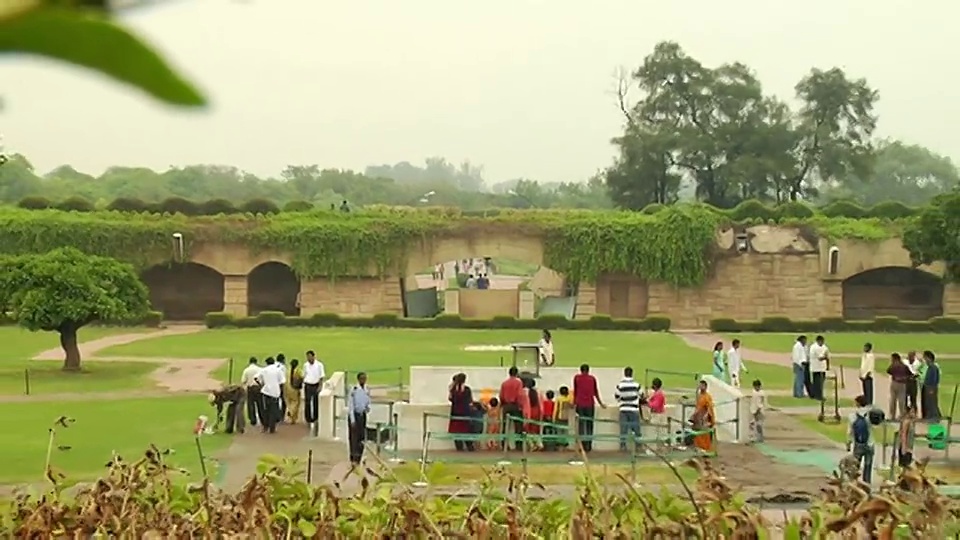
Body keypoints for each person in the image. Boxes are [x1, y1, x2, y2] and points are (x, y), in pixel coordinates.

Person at [573, 364, 605, 452]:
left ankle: (582, 444)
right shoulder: (592, 379)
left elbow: (575, 391)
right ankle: (588, 445)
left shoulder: (577, 378)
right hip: (590, 404)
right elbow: (596, 392)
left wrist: (573, 402)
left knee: (581, 424)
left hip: (580, 404)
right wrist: (601, 403)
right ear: (588, 370)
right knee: (589, 424)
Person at [847, 394, 875, 484]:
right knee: (868, 466)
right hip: (870, 443)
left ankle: (854, 483)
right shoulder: (871, 414)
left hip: (858, 444)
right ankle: (867, 484)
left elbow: (850, 431)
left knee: (855, 466)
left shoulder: (852, 416)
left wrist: (848, 442)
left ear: (858, 404)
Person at [614, 367, 642, 453]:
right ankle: (638, 446)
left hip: (623, 409)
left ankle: (623, 446)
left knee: (623, 429)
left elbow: (617, 396)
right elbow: (641, 395)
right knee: (636, 428)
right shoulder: (637, 385)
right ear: (632, 374)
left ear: (625, 373)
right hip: (634, 409)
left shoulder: (620, 385)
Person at [347, 372, 371, 464]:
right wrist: (352, 419)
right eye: (362, 378)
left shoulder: (366, 389)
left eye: (365, 378)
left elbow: (368, 400)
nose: (363, 380)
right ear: (358, 379)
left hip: (362, 415)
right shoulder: (354, 389)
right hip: (355, 415)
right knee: (354, 437)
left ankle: (359, 457)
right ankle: (353, 457)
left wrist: (368, 407)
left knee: (361, 436)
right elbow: (351, 405)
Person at [498, 367, 525, 450]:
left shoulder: (504, 383)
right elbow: (519, 394)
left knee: (505, 426)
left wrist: (503, 404)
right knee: (518, 426)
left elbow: (501, 395)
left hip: (506, 405)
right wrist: (521, 405)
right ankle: (518, 445)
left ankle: (504, 444)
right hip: (515, 405)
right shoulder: (518, 383)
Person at [256, 356, 285, 434]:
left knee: (265, 410)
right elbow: (282, 382)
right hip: (275, 393)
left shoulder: (264, 370)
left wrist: (261, 385)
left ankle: (266, 426)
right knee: (274, 410)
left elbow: (256, 378)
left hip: (266, 392)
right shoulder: (278, 370)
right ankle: (272, 428)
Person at [448, 373, 475, 451]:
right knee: (466, 430)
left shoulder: (453, 389)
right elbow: (470, 402)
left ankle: (459, 447)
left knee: (457, 431)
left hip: (455, 412)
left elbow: (450, 398)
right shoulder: (467, 390)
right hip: (465, 412)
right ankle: (469, 446)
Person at [302, 350, 326, 436]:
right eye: (307, 357)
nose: (308, 358)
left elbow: (321, 376)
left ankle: (315, 417)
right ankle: (308, 419)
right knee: (307, 402)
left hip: (315, 385)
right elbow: (304, 375)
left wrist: (320, 386)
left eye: (310, 356)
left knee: (316, 402)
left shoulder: (319, 365)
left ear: (313, 356)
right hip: (308, 385)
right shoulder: (305, 365)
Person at [691, 380, 715, 453]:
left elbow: (709, 408)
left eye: (702, 386)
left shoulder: (707, 397)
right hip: (698, 418)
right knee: (697, 434)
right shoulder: (700, 396)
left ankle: (705, 449)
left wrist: (707, 416)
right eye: (700, 385)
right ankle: (698, 448)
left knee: (704, 434)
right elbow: (698, 406)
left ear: (705, 387)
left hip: (704, 419)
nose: (700, 387)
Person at [240, 356, 264, 427]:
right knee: (260, 404)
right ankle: (262, 418)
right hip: (258, 388)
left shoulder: (246, 370)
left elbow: (243, 381)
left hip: (250, 388)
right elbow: (262, 380)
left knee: (251, 404)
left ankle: (253, 420)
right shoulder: (260, 369)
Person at [887, 353, 910, 421]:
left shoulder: (893, 366)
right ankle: (902, 415)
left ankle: (892, 415)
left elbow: (888, 371)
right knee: (901, 400)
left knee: (893, 400)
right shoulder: (904, 366)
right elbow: (909, 374)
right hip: (902, 384)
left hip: (894, 383)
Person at [922, 350, 942, 421]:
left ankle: (934, 417)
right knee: (928, 402)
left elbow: (934, 379)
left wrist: (931, 389)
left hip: (931, 387)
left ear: (928, 358)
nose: (924, 360)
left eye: (925, 358)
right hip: (928, 387)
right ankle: (932, 416)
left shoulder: (933, 367)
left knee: (932, 402)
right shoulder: (930, 367)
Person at [647, 378, 667, 445]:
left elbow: (655, 405)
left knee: (654, 433)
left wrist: (648, 402)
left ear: (655, 385)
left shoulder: (659, 394)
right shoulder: (657, 393)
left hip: (657, 415)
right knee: (657, 433)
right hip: (658, 414)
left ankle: (653, 450)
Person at [808, 336, 829, 400]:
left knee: (819, 382)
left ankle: (816, 395)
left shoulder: (824, 347)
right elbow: (820, 358)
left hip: (821, 368)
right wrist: (825, 356)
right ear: (818, 341)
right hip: (816, 368)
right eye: (821, 341)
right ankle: (818, 396)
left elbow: (827, 356)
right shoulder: (814, 347)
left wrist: (827, 366)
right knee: (818, 383)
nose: (822, 343)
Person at [523, 379, 542, 451]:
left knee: (527, 430)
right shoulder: (538, 392)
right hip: (536, 411)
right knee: (535, 429)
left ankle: (531, 444)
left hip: (528, 412)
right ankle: (539, 443)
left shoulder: (525, 392)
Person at [285, 359, 304, 424]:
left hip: (287, 388)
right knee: (296, 402)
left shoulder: (287, 370)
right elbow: (302, 377)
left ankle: (293, 419)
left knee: (290, 402)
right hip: (294, 388)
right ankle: (291, 412)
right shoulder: (298, 371)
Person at [554, 386, 573, 450]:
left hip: (559, 416)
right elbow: (572, 406)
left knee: (559, 431)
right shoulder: (569, 399)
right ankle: (565, 443)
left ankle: (560, 443)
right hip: (566, 417)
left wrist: (553, 417)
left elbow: (556, 408)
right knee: (565, 431)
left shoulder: (558, 399)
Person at [749, 379, 766, 443]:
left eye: (758, 386)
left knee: (759, 425)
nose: (756, 387)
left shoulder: (761, 393)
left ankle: (760, 438)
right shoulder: (753, 392)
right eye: (755, 386)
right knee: (752, 424)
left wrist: (758, 411)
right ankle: (752, 437)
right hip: (753, 410)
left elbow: (761, 403)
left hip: (759, 410)